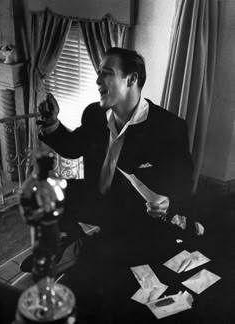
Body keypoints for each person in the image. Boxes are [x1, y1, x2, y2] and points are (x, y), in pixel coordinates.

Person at [20, 47, 194, 322]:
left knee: (109, 294)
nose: (98, 81)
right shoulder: (94, 114)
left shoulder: (169, 128)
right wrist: (52, 124)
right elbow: (75, 146)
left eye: (106, 74)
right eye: (98, 74)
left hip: (131, 222)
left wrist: (168, 202)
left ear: (131, 79)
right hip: (93, 204)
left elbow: (184, 183)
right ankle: (61, 246)